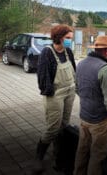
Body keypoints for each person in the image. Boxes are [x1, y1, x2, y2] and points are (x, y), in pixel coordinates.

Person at [74, 35, 107, 175]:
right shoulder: (105, 69)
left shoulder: (81, 63)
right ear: (106, 51)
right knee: (97, 155)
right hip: (100, 121)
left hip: (84, 117)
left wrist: (88, 99)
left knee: (82, 150)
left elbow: (77, 88)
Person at [35, 24, 76, 172]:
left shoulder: (68, 52)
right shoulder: (47, 52)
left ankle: (59, 155)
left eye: (71, 39)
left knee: (64, 125)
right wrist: (49, 92)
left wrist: (76, 87)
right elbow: (42, 76)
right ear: (58, 37)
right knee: (53, 127)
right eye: (67, 38)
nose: (69, 41)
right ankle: (38, 158)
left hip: (70, 91)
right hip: (55, 94)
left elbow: (74, 70)